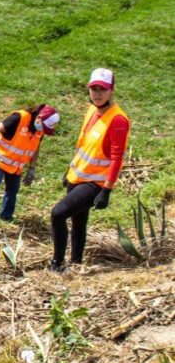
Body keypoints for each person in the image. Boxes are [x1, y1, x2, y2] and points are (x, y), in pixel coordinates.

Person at [50, 68, 129, 272]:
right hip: (78, 176)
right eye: (94, 88)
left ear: (112, 90)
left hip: (95, 182)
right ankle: (76, 263)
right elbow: (83, 145)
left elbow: (116, 158)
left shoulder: (118, 120)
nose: (97, 93)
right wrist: (70, 170)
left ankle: (57, 264)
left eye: (103, 89)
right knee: (78, 222)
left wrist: (107, 190)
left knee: (57, 214)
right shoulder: (92, 110)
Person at [0, 105, 60, 236]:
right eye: (44, 127)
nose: (43, 131)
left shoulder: (40, 128)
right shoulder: (19, 118)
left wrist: (32, 168)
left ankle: (6, 216)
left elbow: (37, 146)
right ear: (39, 118)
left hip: (15, 165)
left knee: (13, 189)